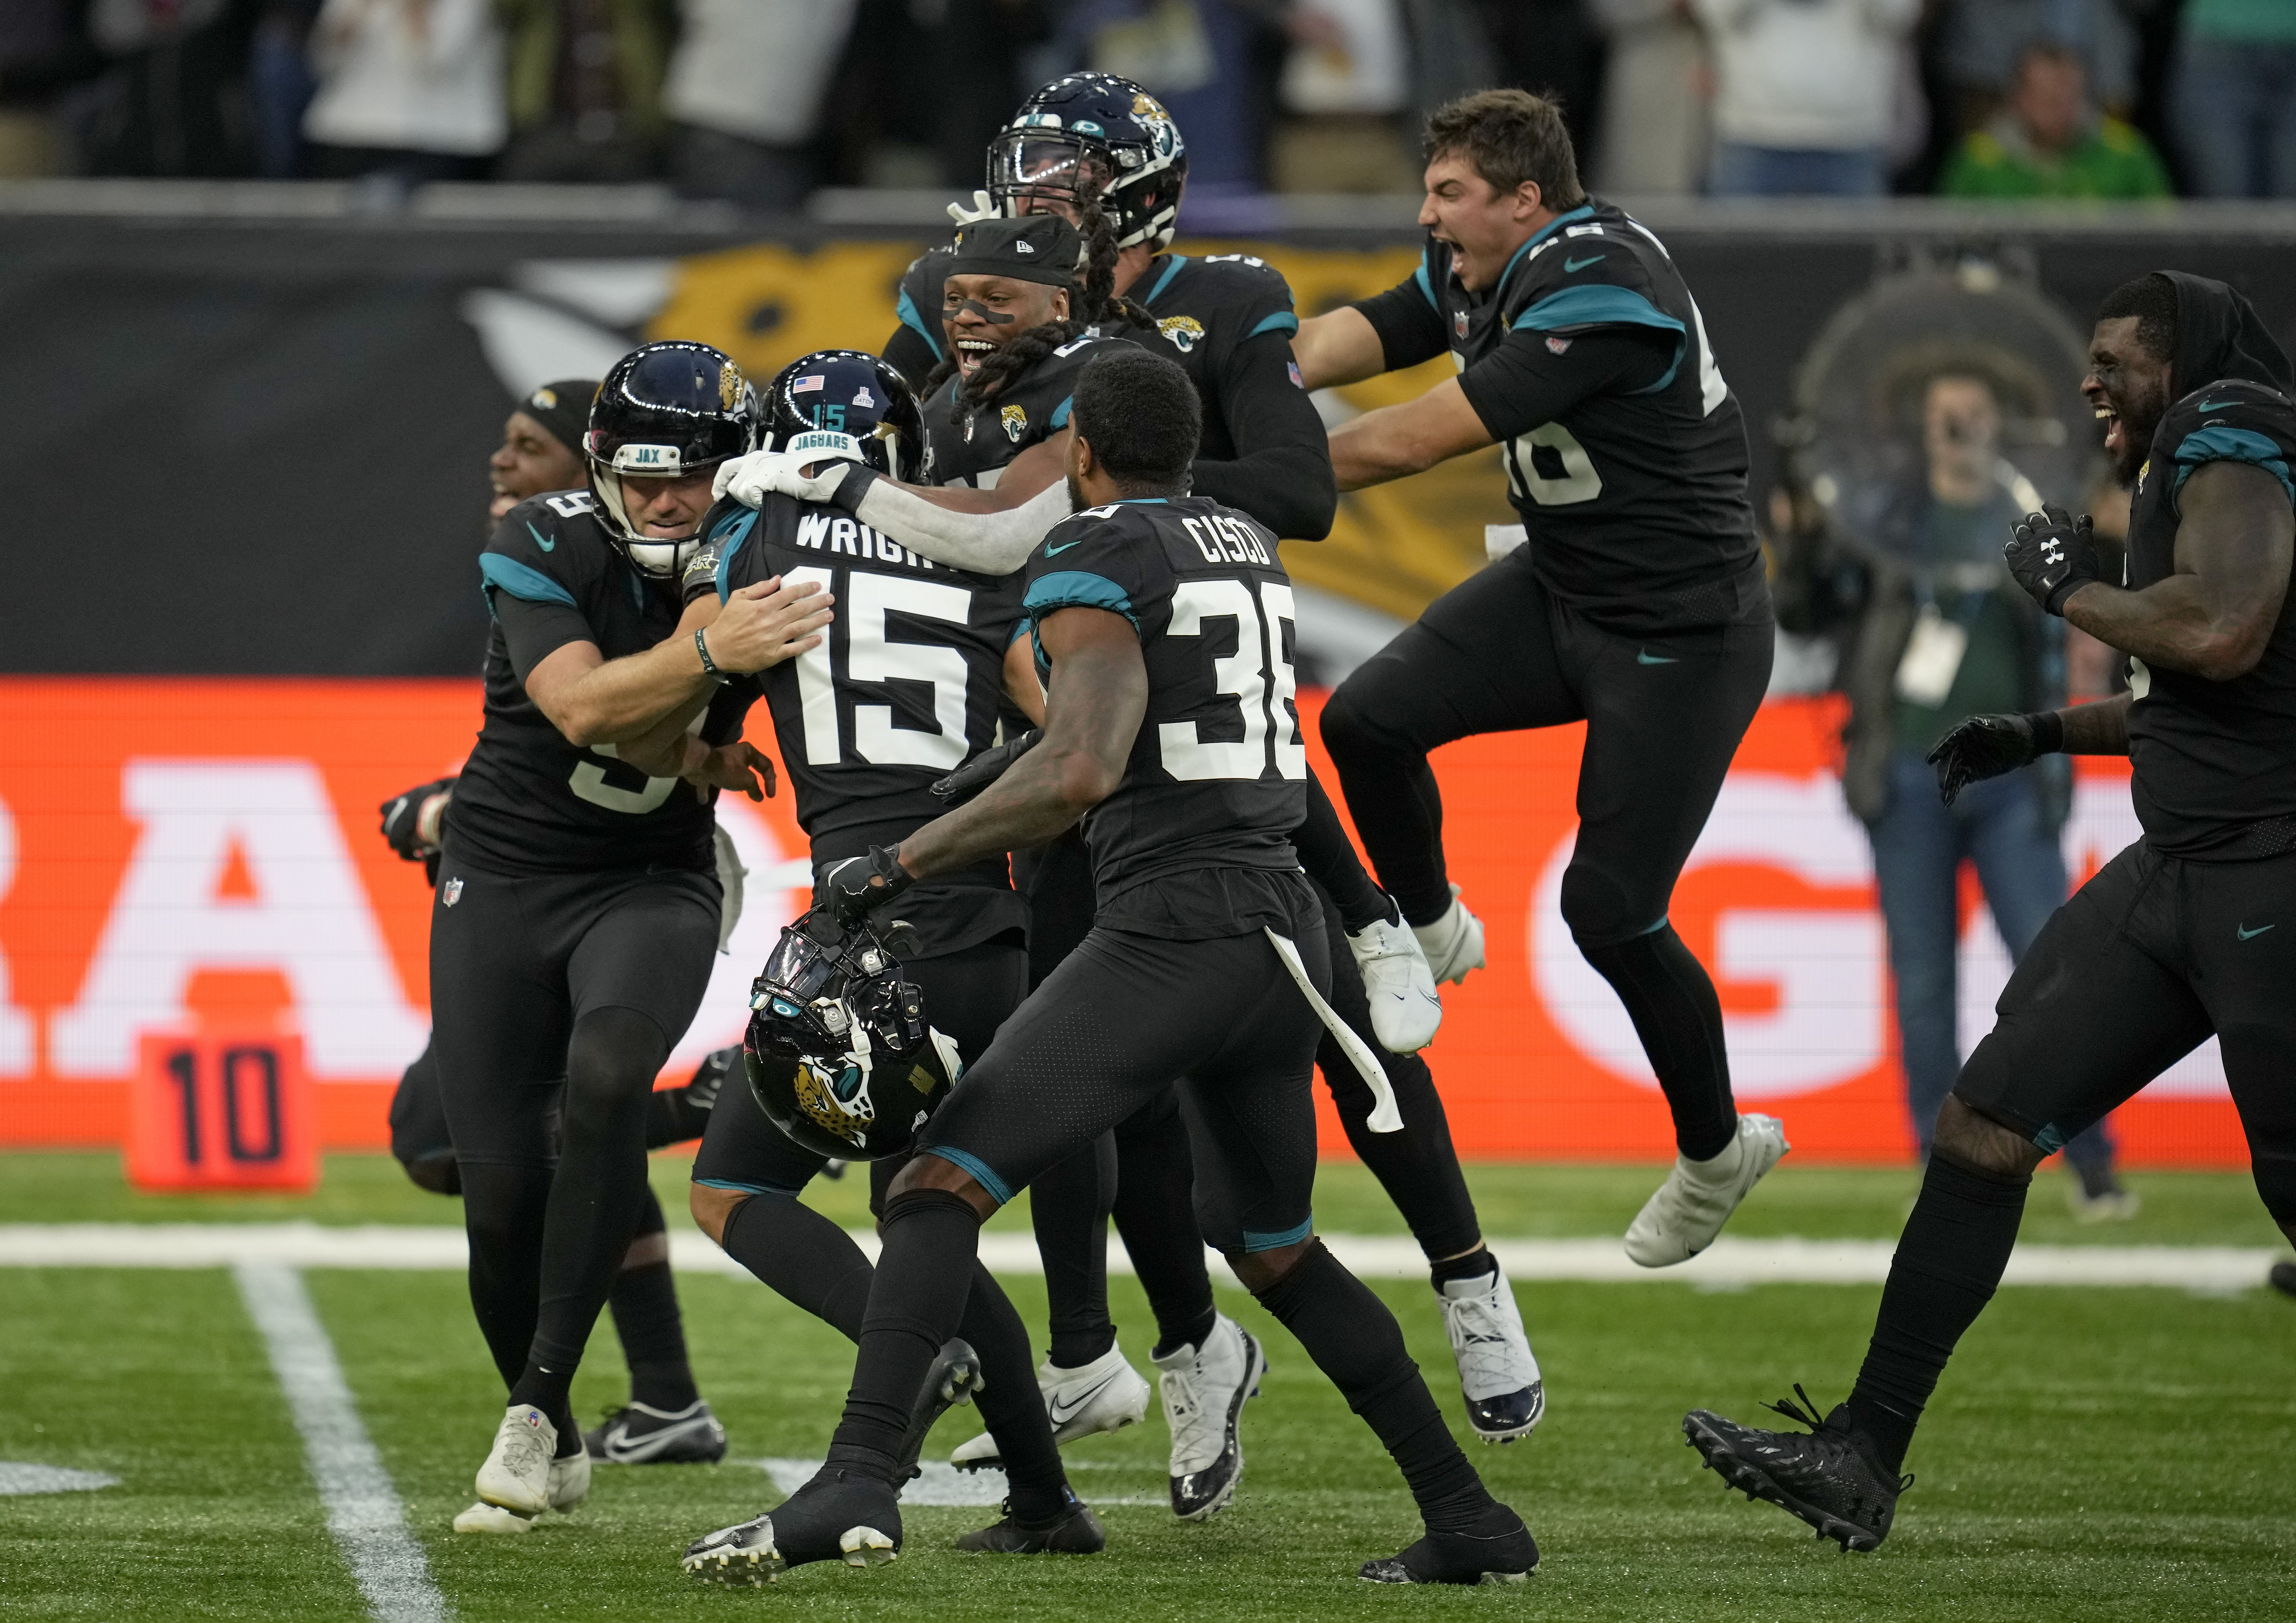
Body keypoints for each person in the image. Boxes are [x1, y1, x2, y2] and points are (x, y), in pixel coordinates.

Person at [681, 344, 1539, 1587]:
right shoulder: (1238, 540)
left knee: (933, 1186)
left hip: (1172, 928)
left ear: (1079, 452)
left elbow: (1077, 765)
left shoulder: (1096, 552)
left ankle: (859, 1477)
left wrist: (895, 865)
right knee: (1276, 1246)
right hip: (1274, 931)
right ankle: (1468, 1515)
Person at [859, 73, 1541, 1484]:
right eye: (1019, 204)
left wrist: (1111, 489)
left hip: (1193, 698)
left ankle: (1465, 1273)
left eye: (1058, 203)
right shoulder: (965, 295)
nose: (1021, 235)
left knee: (1352, 1028)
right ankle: (1150, 1351)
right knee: (1100, 1074)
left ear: (1130, 204)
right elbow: (907, 455)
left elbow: (1294, 493)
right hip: (1048, 672)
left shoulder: (1219, 301)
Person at [1683, 270, 2296, 1550]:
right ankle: (1861, 1454)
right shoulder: (2196, 449)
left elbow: (2227, 631)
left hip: (2265, 874)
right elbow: (2204, 692)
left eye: (2115, 360)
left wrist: (2064, 592)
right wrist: (2042, 728)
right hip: (2185, 863)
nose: (2089, 385)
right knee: (1983, 1118)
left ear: (2179, 361)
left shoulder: (2229, 421)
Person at [1290, 87, 1786, 1268]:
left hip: (1680, 630)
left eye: (1449, 194)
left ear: (1525, 199)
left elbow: (1418, 436)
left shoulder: (1599, 279)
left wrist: (1231, 472)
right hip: (1564, 583)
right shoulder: (1491, 262)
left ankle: (1717, 1149)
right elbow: (1378, 327)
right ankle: (1429, 918)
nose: (1428, 216)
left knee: (1607, 913)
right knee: (1365, 718)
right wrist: (1263, 374)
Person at [433, 339, 835, 1530]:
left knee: (610, 1073)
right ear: (604, 468)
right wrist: (709, 664)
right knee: (499, 1189)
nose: (668, 498)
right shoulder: (538, 536)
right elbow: (579, 707)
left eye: (696, 475)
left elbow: (751, 632)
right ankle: (548, 1420)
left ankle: (535, 1408)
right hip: (504, 877)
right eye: (646, 474)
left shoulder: (756, 539)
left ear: (739, 468)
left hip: (654, 875)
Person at [1830, 372, 2132, 1215]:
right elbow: (1823, 601)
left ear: (1997, 424)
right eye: (1941, 418)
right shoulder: (1887, 520)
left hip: (2008, 773)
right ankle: (1941, 1169)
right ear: (1921, 432)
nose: (1956, 429)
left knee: (2049, 970)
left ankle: (2090, 1159)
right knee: (1922, 979)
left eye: (1969, 416)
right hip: (1908, 774)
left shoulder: (2029, 514)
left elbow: (2084, 596)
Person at [1691, 0, 1918, 197]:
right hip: (1751, 134)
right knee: (1738, 246)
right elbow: (1714, 13)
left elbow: (1900, 15)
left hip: (1852, 138)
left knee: (1858, 248)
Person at [1939, 42, 2170, 201]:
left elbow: (2165, 236)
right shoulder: (1979, 161)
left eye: (2069, 99)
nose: (2060, 111)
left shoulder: (2127, 155)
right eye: (2048, 99)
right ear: (2019, 98)